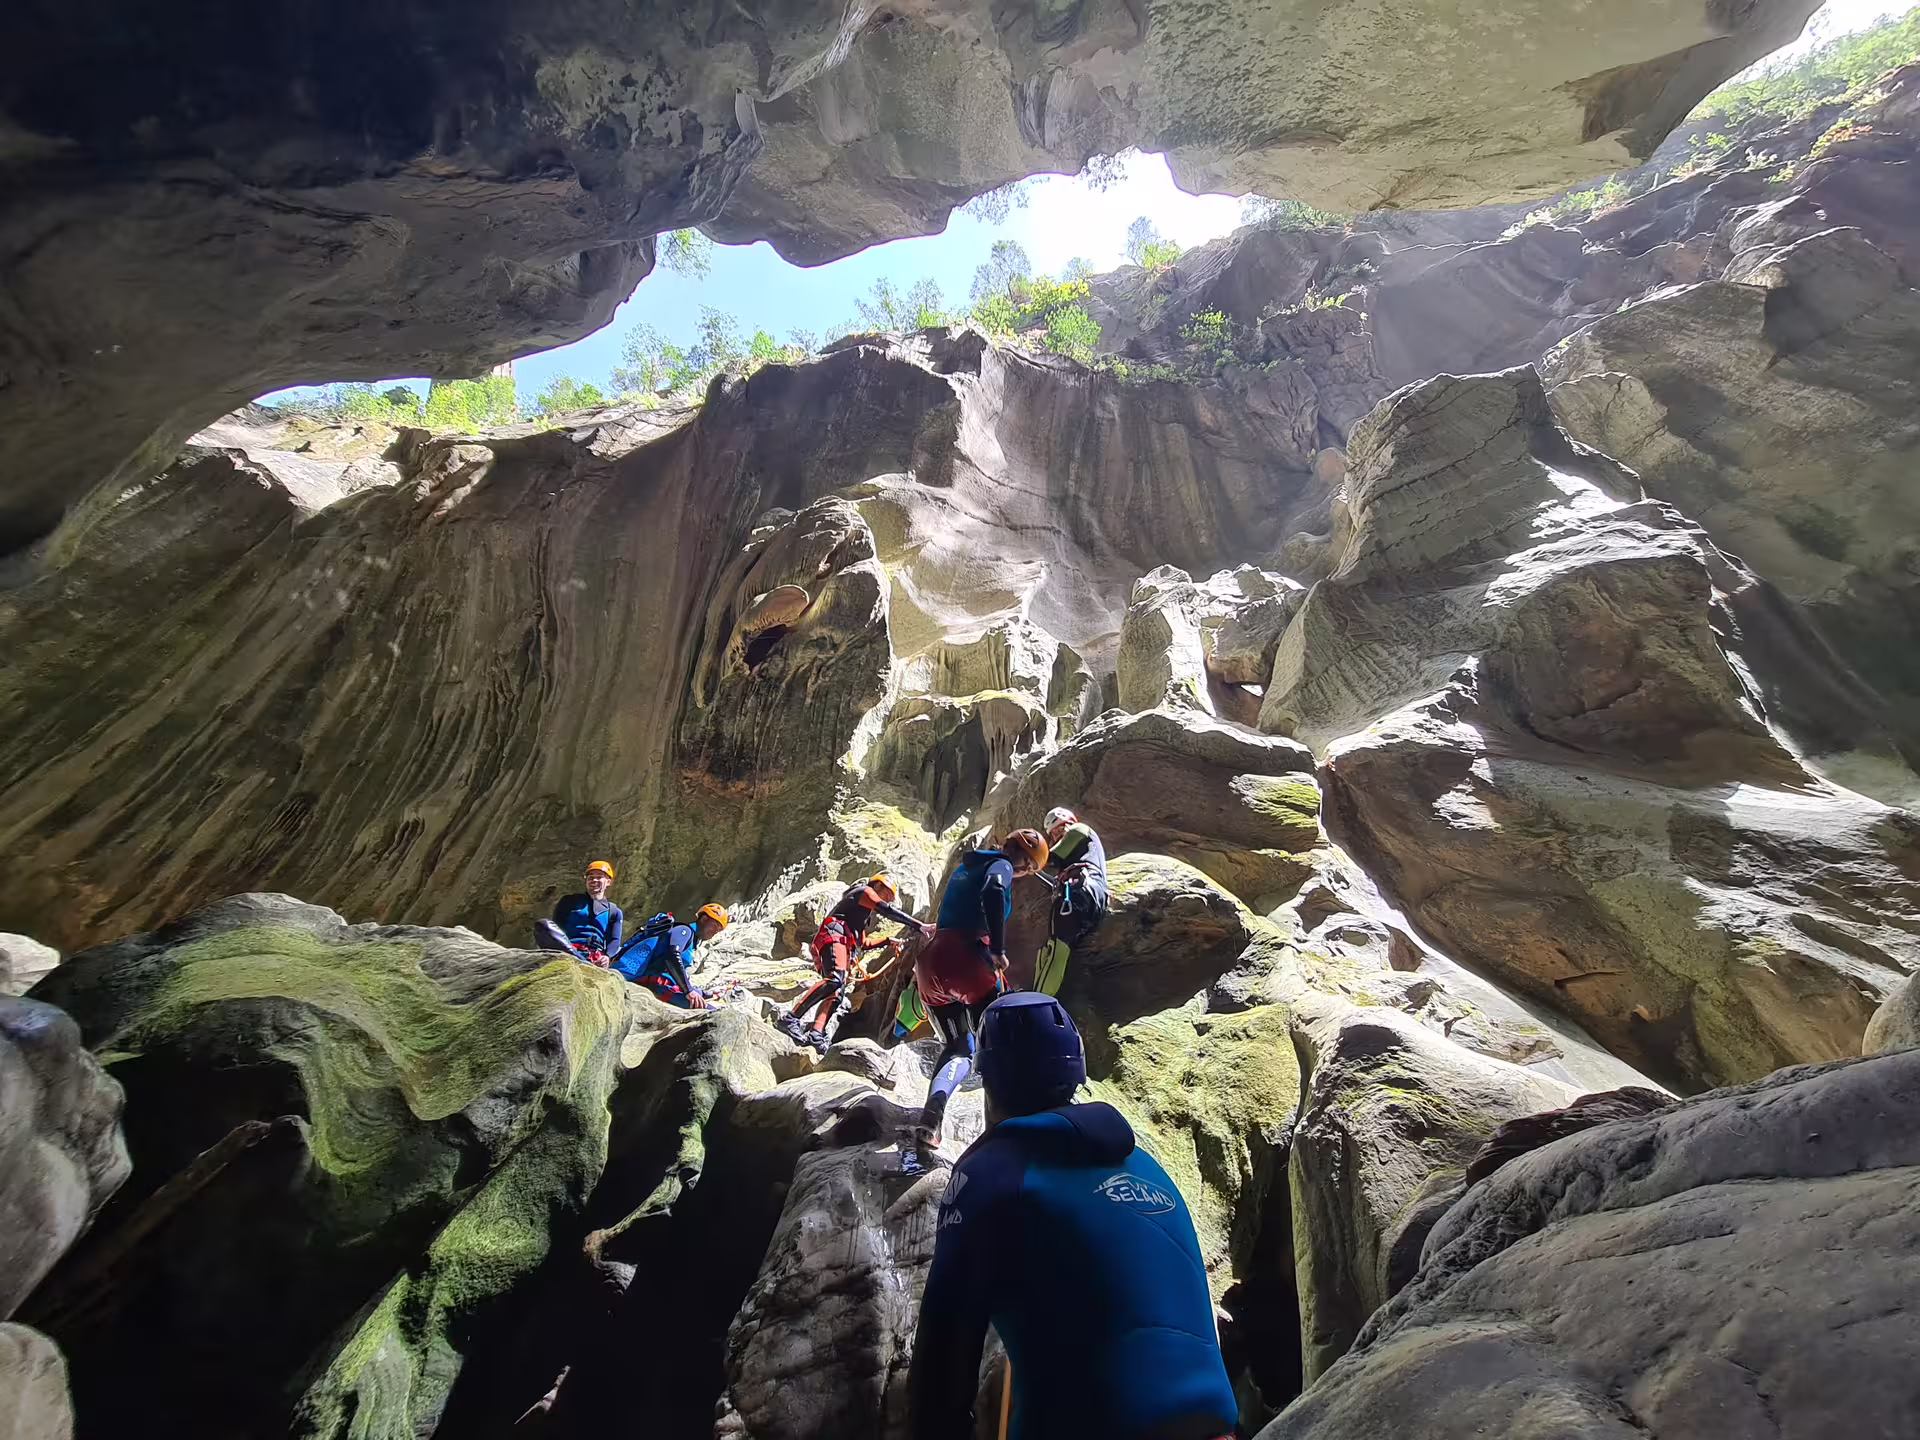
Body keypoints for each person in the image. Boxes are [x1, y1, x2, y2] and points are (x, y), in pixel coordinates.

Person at [907, 993, 1237, 1440]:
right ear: (1076, 1074)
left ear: (990, 1083)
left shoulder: (993, 1173)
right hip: (1218, 1426)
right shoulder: (1146, 1165)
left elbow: (941, 1363)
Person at [908, 829, 1049, 1158]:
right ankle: (1006, 1133)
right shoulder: (1000, 867)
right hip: (969, 960)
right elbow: (995, 889)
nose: (1024, 873)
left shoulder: (965, 867)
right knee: (1003, 1045)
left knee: (959, 1047)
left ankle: (932, 1119)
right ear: (1025, 863)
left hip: (931, 964)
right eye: (1028, 868)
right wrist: (998, 948)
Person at [781, 874, 933, 1053]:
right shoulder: (863, 892)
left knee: (837, 993)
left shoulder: (862, 914)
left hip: (841, 941)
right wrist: (919, 926)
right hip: (833, 934)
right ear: (877, 886)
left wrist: (887, 941)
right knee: (835, 979)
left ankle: (816, 1033)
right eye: (885, 894)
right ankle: (790, 1018)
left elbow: (864, 943)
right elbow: (886, 910)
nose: (885, 899)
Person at [1032, 806, 1109, 997]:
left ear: (1068, 823)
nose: (1056, 837)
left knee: (1056, 950)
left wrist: (1021, 857)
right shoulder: (1084, 850)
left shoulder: (1080, 829)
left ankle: (1036, 1002)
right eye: (1053, 835)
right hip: (1091, 896)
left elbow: (1050, 858)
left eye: (1058, 831)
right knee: (1059, 953)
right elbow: (1050, 878)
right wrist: (1031, 871)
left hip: (1079, 890)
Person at [620, 902, 730, 1008]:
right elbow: (672, 955)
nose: (716, 931)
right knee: (709, 1010)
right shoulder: (684, 930)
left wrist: (705, 993)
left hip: (661, 983)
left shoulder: (692, 941)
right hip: (655, 982)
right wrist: (688, 991)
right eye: (715, 925)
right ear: (704, 918)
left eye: (719, 929)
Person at [534, 860, 623, 966]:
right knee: (543, 925)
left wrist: (607, 956)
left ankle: (583, 961)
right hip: (568, 948)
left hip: (595, 955)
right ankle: (578, 959)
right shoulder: (569, 901)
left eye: (599, 877)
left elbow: (615, 940)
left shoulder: (614, 911)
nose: (594, 880)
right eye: (590, 877)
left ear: (608, 882)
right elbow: (557, 928)